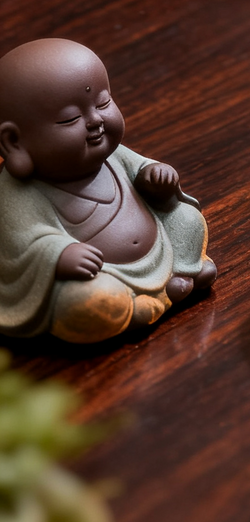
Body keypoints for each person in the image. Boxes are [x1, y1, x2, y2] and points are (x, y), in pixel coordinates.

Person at [0, 39, 215, 343]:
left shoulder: (114, 155)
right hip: (101, 276)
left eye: (103, 103)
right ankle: (132, 304)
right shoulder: (17, 193)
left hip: (158, 250)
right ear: (13, 142)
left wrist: (154, 176)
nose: (96, 121)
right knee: (89, 301)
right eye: (70, 119)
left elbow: (143, 172)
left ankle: (182, 271)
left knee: (186, 218)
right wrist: (59, 253)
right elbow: (18, 242)